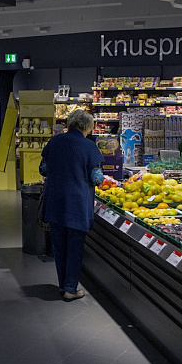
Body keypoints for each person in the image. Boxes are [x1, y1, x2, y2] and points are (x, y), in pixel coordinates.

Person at [39, 109, 104, 300]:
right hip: (77, 204)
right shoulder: (90, 147)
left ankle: (63, 285)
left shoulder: (54, 141)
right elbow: (97, 178)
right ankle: (70, 288)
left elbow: (43, 169)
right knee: (74, 247)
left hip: (55, 202)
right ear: (86, 127)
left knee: (59, 247)